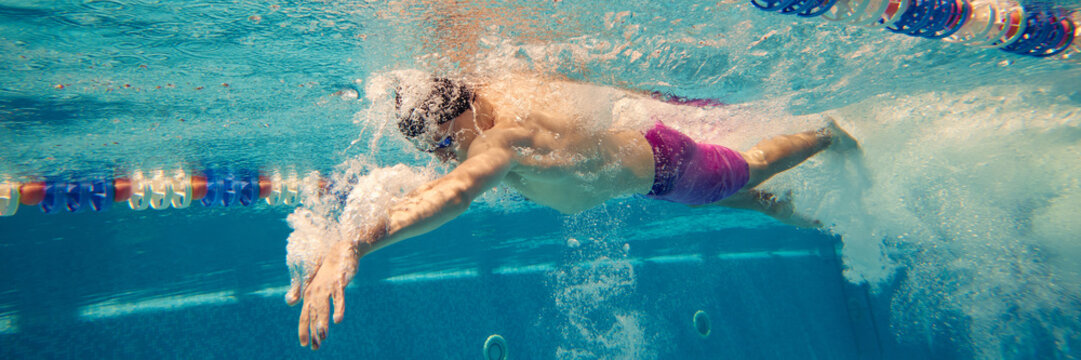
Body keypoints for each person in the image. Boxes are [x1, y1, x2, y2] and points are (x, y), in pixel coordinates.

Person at [287, 72, 857, 350]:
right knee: (752, 202)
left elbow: (457, 194)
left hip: (667, 170)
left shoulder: (496, 142)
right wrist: (343, 234)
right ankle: (809, 212)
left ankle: (824, 135)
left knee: (750, 167)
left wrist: (355, 245)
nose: (444, 157)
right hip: (644, 164)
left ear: (458, 117)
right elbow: (435, 187)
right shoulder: (490, 105)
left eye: (440, 145)